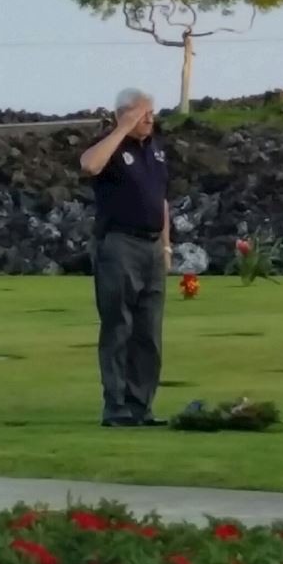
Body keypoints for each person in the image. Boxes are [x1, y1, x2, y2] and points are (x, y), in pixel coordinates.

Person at [79, 89, 171, 428]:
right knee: (119, 325)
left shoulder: (157, 149)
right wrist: (121, 129)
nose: (150, 118)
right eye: (142, 113)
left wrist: (166, 246)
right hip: (119, 245)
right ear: (124, 114)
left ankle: (141, 406)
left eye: (152, 113)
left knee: (149, 331)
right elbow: (89, 165)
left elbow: (162, 200)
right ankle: (115, 406)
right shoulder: (112, 147)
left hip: (151, 248)